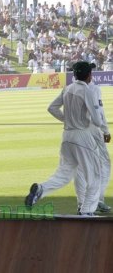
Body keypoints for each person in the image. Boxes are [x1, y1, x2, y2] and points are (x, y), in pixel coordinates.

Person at [25, 62, 103, 215]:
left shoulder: (67, 88)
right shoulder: (88, 91)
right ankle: (86, 211)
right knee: (95, 176)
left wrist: (66, 119)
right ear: (89, 76)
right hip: (82, 136)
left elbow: (52, 108)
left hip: (67, 136)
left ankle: (42, 189)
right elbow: (98, 121)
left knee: (64, 174)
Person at [74, 81, 111, 213]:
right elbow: (99, 112)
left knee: (80, 167)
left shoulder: (70, 88)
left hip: (75, 131)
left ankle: (81, 204)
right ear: (89, 74)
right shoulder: (93, 88)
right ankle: (97, 200)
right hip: (92, 131)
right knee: (104, 165)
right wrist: (106, 131)